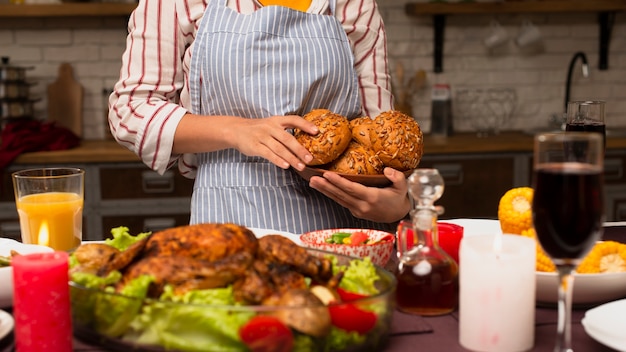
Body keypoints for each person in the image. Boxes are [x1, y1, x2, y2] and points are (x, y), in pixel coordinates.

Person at [108, 0, 411, 234]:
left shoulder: (355, 4)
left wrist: (396, 203)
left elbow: (380, 136)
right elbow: (132, 112)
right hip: (233, 220)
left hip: (347, 230)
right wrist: (236, 130)